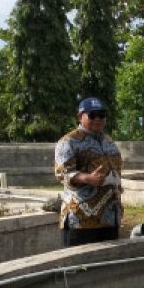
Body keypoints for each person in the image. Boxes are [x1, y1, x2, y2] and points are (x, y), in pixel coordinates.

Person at [54, 97, 123, 246]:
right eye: (92, 115)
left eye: (101, 115)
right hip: (81, 221)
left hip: (110, 218)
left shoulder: (109, 141)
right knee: (78, 267)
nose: (98, 119)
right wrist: (87, 178)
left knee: (108, 267)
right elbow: (62, 173)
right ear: (80, 117)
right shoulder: (68, 141)